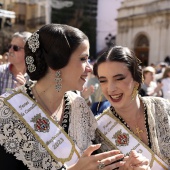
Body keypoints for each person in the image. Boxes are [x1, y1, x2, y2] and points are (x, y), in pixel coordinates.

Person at [0, 24, 133, 170]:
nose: (89, 68)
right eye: (83, 59)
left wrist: (124, 166)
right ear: (56, 64)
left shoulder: (79, 106)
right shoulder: (7, 112)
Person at [93, 46, 170, 169]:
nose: (111, 88)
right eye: (103, 81)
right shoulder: (97, 132)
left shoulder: (164, 108)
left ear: (136, 78)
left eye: (119, 78)